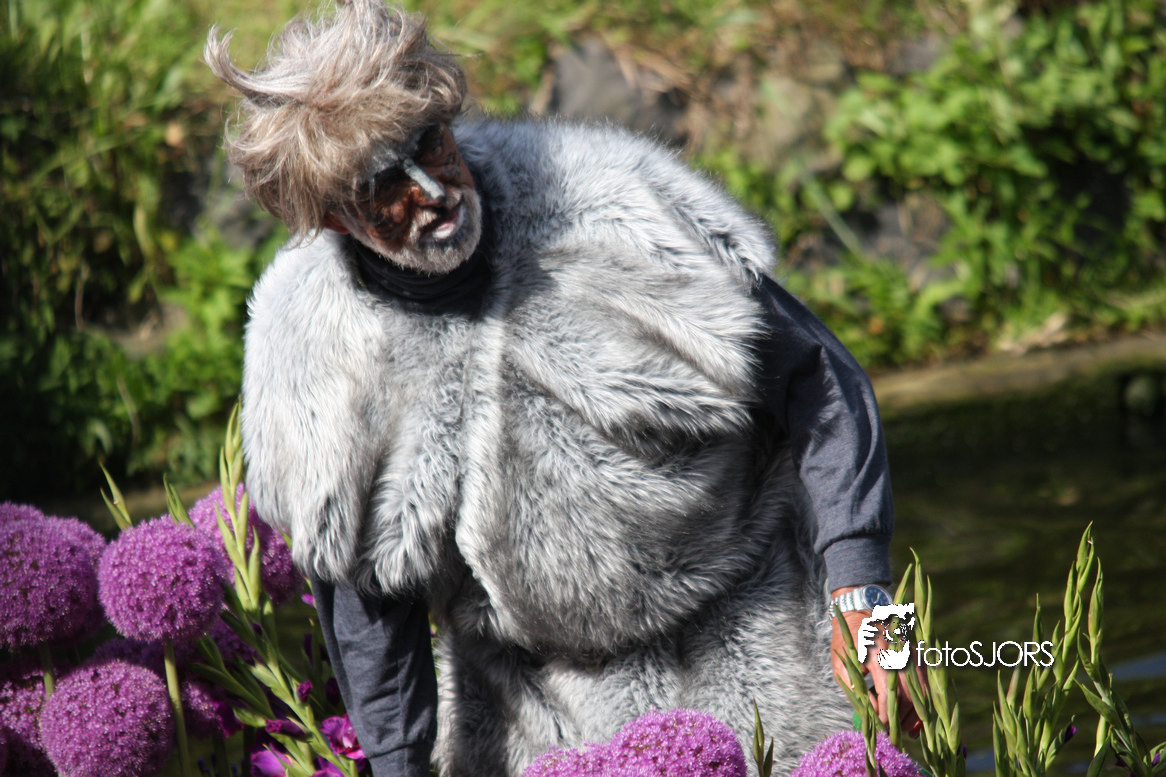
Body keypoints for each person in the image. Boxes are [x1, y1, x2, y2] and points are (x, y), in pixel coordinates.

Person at [205, 2, 920, 775]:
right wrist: (397, 765)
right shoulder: (315, 359)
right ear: (335, 218)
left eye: (430, 143)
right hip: (534, 710)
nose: (431, 188)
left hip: (765, 636)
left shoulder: (613, 207)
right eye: (385, 183)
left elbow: (821, 382)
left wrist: (869, 606)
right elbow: (368, 610)